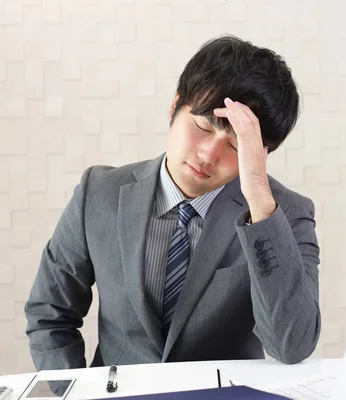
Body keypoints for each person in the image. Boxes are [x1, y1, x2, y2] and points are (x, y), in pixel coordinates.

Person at [24, 34, 321, 371]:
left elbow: (292, 346)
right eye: (202, 127)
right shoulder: (99, 192)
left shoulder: (286, 215)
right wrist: (72, 393)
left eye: (236, 145)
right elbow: (50, 313)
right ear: (174, 106)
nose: (209, 154)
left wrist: (260, 205)